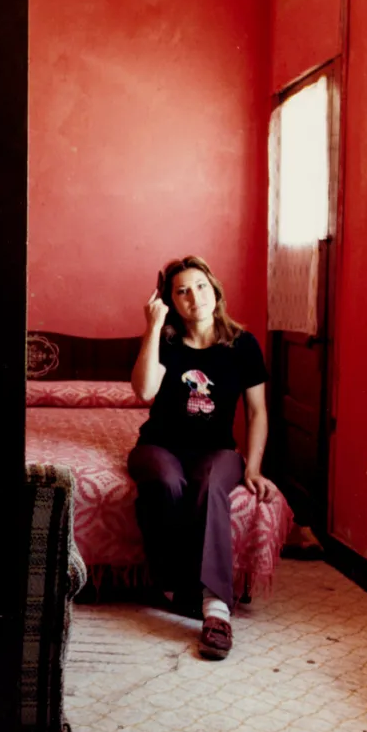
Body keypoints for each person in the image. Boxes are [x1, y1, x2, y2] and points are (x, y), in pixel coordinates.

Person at [128, 256, 271, 661]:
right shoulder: (166, 340)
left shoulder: (242, 345)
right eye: (182, 291)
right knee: (165, 479)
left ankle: (216, 610)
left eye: (201, 286)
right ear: (171, 301)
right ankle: (174, 581)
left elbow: (258, 411)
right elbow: (143, 391)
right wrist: (153, 327)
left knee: (211, 485)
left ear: (215, 289)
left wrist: (255, 467)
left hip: (218, 451)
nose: (195, 297)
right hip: (159, 446)